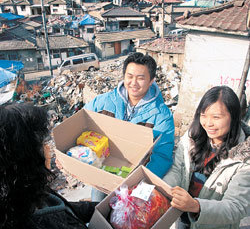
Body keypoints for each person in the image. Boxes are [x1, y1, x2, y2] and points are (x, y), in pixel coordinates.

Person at [84, 52, 175, 200]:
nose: (133, 83)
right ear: (124, 76)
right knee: (96, 209)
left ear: (151, 80)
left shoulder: (162, 115)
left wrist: (137, 184)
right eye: (130, 76)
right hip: (103, 173)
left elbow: (162, 156)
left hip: (134, 180)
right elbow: (79, 124)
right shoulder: (103, 102)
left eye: (140, 78)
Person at [163, 86, 250, 229]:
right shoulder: (192, 137)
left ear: (233, 117)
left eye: (216, 117)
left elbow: (235, 207)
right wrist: (164, 190)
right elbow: (177, 169)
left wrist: (196, 206)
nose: (208, 123)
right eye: (203, 115)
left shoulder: (244, 157)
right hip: (179, 219)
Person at [0, 103, 98, 229]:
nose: (47, 148)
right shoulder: (36, 222)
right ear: (25, 157)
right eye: (41, 143)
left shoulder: (27, 190)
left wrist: (109, 206)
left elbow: (67, 209)